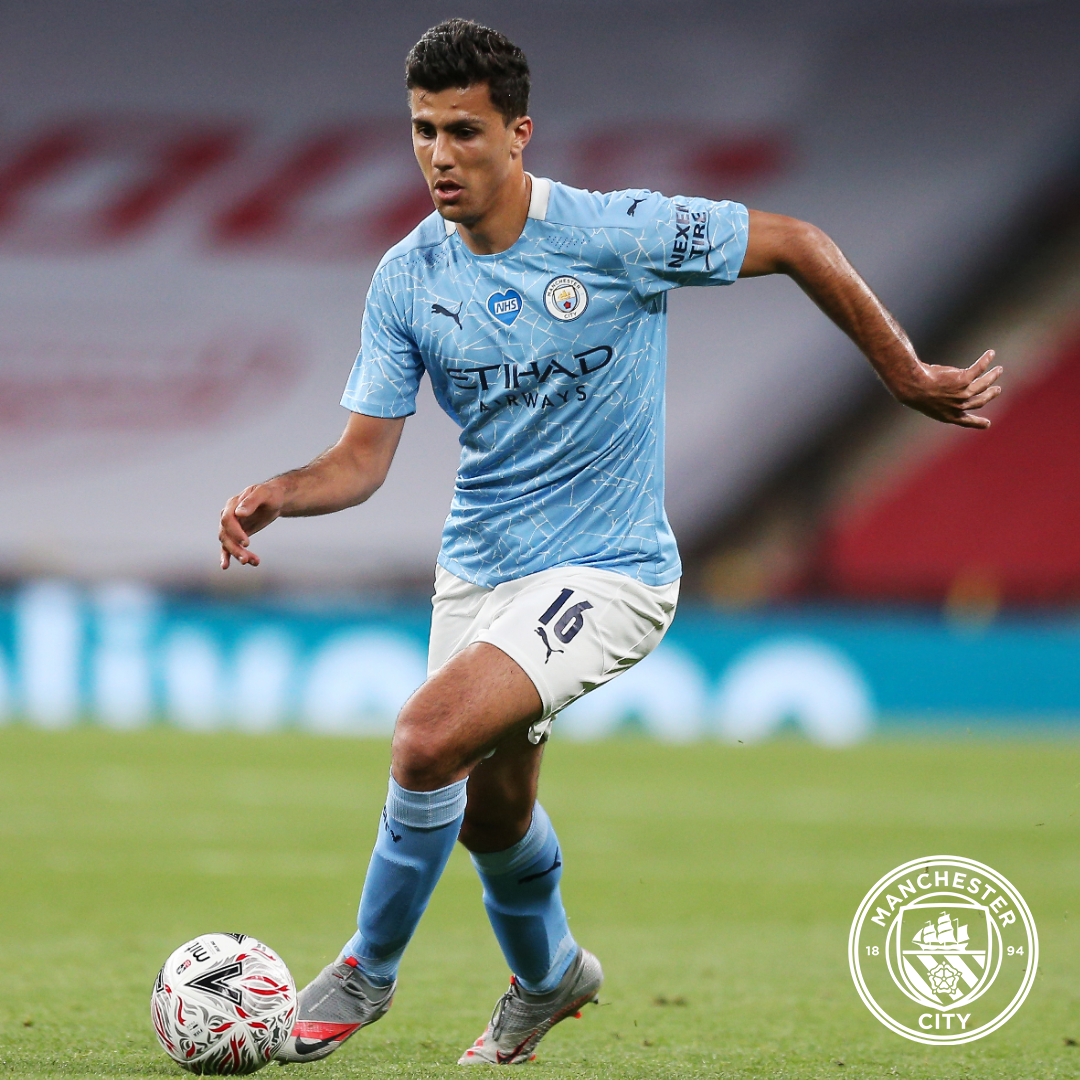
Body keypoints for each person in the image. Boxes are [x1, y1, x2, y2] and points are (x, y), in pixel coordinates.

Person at [217, 18, 1002, 1067]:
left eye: (463, 131)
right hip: (479, 570)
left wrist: (903, 373)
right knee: (490, 814)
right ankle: (551, 977)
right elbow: (363, 460)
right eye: (422, 131)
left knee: (424, 741)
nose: (440, 155)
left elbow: (798, 242)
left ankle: (367, 969)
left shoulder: (617, 233)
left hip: (610, 568)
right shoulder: (406, 278)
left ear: (518, 133)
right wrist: (281, 491)